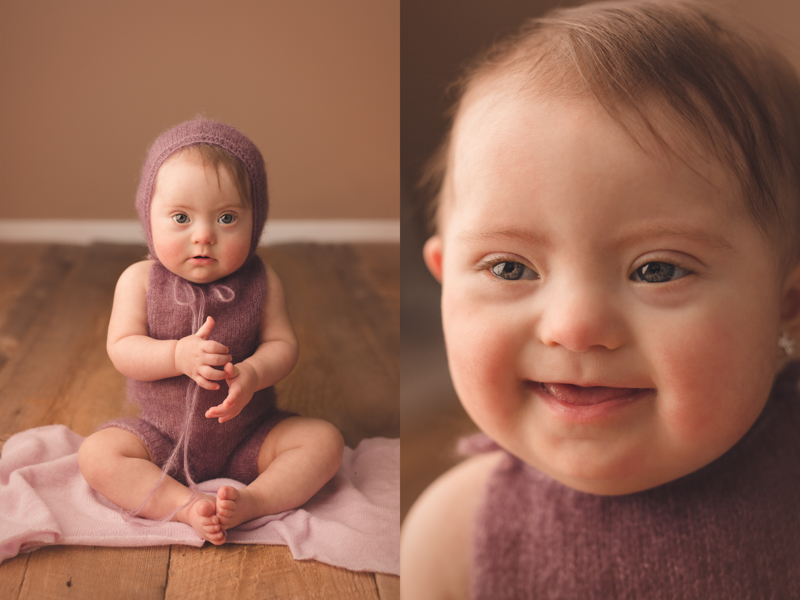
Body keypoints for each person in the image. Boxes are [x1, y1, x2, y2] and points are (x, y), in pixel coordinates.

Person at [401, 1, 800, 597]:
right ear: (444, 280)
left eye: (658, 270)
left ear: (785, 304)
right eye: (510, 266)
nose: (575, 327)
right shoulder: (455, 537)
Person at [78, 119, 344, 545]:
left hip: (249, 435)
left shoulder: (262, 280)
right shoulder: (140, 281)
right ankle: (182, 505)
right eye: (181, 217)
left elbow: (284, 345)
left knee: (325, 442)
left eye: (226, 218)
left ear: (255, 221)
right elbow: (122, 349)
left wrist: (254, 373)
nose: (203, 236)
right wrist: (175, 356)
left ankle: (254, 501)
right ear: (150, 216)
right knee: (97, 456)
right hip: (161, 437)